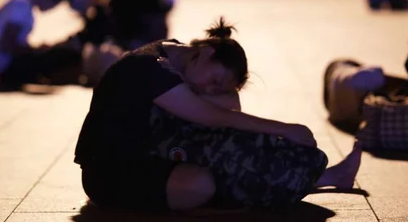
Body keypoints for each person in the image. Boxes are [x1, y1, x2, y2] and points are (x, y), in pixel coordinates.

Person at [75, 18, 362, 212]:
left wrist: (208, 92)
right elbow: (215, 116)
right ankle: (313, 178)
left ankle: (325, 176)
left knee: (226, 147)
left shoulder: (176, 55)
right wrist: (284, 129)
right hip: (110, 175)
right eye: (215, 80)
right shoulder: (151, 67)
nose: (210, 88)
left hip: (151, 153)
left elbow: (230, 105)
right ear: (208, 51)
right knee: (205, 180)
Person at [0, 0, 74, 85]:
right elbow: (7, 44)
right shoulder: (22, 7)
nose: (52, 8)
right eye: (55, 4)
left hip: (4, 62)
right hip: (7, 66)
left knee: (56, 52)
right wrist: (36, 50)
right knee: (63, 54)